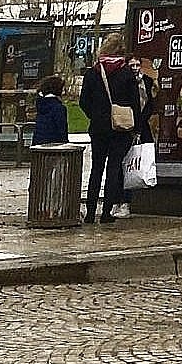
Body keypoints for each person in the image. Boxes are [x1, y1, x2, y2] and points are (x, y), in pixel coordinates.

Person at [77, 34, 140, 223]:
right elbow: (135, 103)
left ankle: (90, 212)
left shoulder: (93, 72)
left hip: (98, 128)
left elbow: (83, 101)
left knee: (96, 168)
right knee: (114, 168)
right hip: (120, 128)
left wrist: (95, 115)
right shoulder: (126, 73)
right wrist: (134, 126)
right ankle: (106, 212)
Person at [32, 75, 69, 146]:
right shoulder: (59, 108)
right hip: (54, 144)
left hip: (38, 142)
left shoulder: (40, 104)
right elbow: (62, 129)